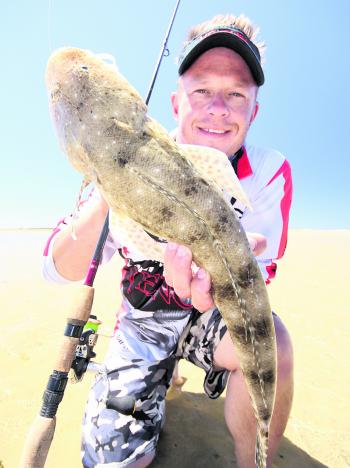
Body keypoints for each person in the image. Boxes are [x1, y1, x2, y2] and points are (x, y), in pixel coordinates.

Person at [43, 13, 293, 468]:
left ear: (254, 109)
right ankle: (161, 375)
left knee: (270, 340)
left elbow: (259, 276)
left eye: (235, 94)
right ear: (175, 103)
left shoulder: (269, 173)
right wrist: (108, 193)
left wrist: (205, 292)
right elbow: (55, 269)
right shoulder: (107, 174)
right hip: (142, 326)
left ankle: (254, 457)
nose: (217, 107)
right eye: (201, 90)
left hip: (209, 317)